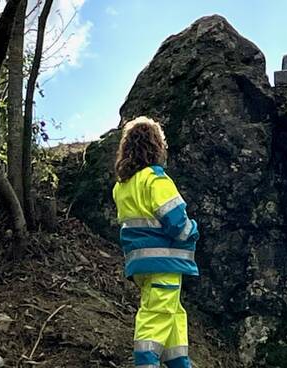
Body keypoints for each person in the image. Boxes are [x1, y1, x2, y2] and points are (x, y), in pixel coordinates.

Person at [112, 116, 199, 368]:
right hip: (165, 263)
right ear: (156, 147)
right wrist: (194, 230)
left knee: (173, 318)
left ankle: (180, 363)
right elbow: (178, 225)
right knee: (156, 317)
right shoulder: (156, 180)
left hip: (142, 266)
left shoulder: (123, 187)